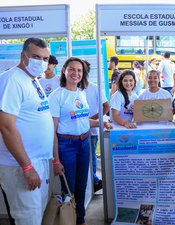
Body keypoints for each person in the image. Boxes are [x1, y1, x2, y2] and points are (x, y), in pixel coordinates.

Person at [0, 37, 54, 225]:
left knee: (36, 215)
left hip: (38, 162)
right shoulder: (12, 80)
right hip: (22, 166)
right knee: (27, 218)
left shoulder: (32, 80)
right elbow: (6, 127)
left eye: (45, 58)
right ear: (24, 56)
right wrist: (27, 167)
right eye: (36, 57)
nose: (42, 62)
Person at [49, 57, 99, 225]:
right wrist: (56, 160)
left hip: (84, 143)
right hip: (66, 146)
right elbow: (52, 131)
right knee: (68, 188)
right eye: (72, 69)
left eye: (79, 70)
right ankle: (67, 220)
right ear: (64, 70)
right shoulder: (57, 96)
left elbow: (82, 120)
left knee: (81, 186)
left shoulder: (81, 93)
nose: (76, 73)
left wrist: (101, 122)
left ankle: (80, 220)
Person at [83, 60, 111, 193]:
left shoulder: (94, 88)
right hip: (75, 132)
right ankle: (91, 181)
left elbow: (106, 107)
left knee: (92, 156)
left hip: (91, 130)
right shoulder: (73, 88)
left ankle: (94, 181)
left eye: (82, 70)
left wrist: (91, 119)